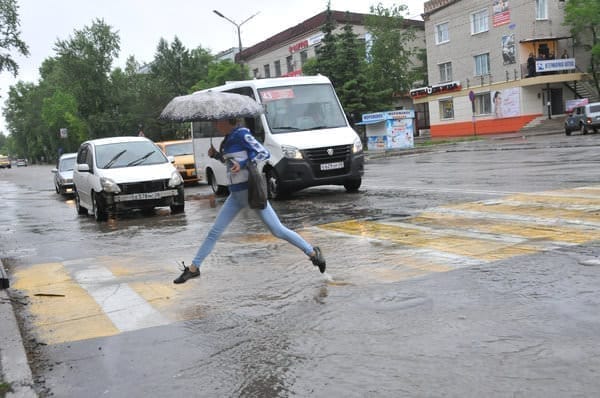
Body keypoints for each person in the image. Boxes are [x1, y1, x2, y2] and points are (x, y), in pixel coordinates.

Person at [174, 118, 326, 284]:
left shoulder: (242, 134)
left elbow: (263, 153)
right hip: (235, 196)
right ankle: (194, 268)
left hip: (251, 193)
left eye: (217, 122)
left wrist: (242, 163)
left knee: (277, 231)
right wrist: (217, 155)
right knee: (214, 232)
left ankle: (312, 253)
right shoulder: (227, 139)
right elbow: (231, 164)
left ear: (227, 121)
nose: (215, 125)